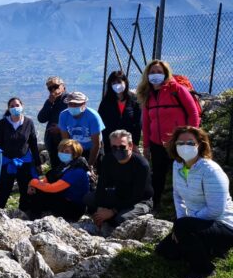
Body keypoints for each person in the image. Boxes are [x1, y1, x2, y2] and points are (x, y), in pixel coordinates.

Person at [155, 126, 233, 278]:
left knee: (183, 228)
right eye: (180, 143)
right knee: (164, 251)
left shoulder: (211, 171)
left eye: (190, 143)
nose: (185, 146)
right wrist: (182, 220)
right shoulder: (178, 165)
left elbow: (216, 210)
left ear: (200, 144)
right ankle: (210, 249)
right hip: (196, 223)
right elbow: (177, 195)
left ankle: (204, 270)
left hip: (224, 225)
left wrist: (185, 223)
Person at [137, 59, 201, 209]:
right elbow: (146, 123)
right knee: (158, 175)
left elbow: (193, 113)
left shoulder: (176, 89)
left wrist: (190, 138)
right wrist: (146, 146)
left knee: (184, 173)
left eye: (159, 72)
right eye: (152, 72)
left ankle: (188, 204)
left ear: (166, 74)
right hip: (156, 143)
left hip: (179, 143)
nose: (156, 75)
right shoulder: (148, 95)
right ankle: (155, 204)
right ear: (147, 75)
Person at [84, 129, 153, 231]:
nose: (118, 150)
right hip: (118, 194)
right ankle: (103, 217)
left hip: (139, 200)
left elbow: (137, 196)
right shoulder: (108, 159)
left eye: (122, 147)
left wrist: (112, 211)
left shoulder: (141, 165)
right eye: (114, 147)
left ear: (130, 145)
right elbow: (101, 185)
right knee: (88, 198)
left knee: (122, 218)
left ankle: (110, 219)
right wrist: (100, 207)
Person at [0, 98, 42, 211]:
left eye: (17, 105)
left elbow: (33, 143)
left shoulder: (28, 122)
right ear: (9, 109)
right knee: (2, 191)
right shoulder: (3, 123)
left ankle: (24, 214)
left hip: (24, 162)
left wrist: (38, 163)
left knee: (26, 190)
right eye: (12, 106)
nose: (15, 108)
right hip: (6, 162)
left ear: (22, 106)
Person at [27, 139, 90, 222]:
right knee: (37, 190)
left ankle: (34, 220)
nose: (63, 153)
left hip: (74, 207)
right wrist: (32, 184)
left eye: (67, 151)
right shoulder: (65, 166)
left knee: (39, 193)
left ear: (75, 154)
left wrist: (34, 182)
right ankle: (34, 215)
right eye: (61, 150)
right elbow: (48, 179)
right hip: (64, 199)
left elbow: (53, 188)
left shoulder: (77, 170)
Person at [97, 71, 142, 155]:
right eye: (113, 83)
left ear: (125, 82)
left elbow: (138, 123)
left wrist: (135, 143)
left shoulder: (134, 100)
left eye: (119, 82)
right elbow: (100, 122)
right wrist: (101, 141)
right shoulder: (106, 102)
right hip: (110, 143)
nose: (117, 85)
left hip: (127, 142)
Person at [58, 92, 105, 168]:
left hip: (93, 149)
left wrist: (90, 165)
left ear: (84, 104)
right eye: (70, 104)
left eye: (76, 104)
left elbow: (96, 144)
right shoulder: (63, 115)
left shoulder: (93, 116)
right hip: (76, 149)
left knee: (96, 171)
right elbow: (66, 141)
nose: (73, 106)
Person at [37, 76, 69, 168]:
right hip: (52, 142)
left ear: (63, 86)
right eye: (50, 88)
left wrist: (60, 128)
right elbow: (41, 118)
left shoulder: (69, 100)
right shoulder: (51, 101)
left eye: (55, 86)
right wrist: (49, 103)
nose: (53, 90)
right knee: (55, 166)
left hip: (64, 142)